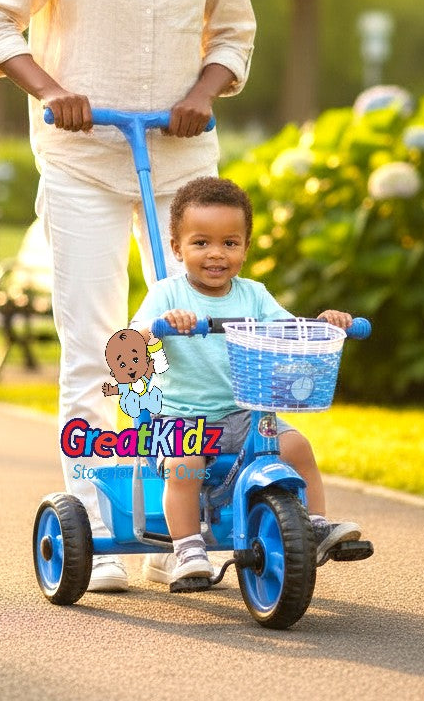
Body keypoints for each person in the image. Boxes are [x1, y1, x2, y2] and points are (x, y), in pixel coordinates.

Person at [0, 0, 256, 593]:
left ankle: (181, 519)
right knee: (98, 339)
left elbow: (233, 30)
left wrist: (204, 92)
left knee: (188, 338)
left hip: (179, 160)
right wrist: (52, 89)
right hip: (84, 159)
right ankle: (94, 514)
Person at [130, 176, 363, 586]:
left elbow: (291, 331)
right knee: (186, 464)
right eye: (201, 243)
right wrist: (161, 325)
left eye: (230, 243)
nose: (216, 254)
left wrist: (327, 323)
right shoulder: (167, 294)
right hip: (177, 418)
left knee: (296, 446)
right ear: (177, 249)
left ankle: (316, 526)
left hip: (241, 415)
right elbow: (132, 337)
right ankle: (186, 550)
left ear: (245, 248)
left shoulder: (253, 295)